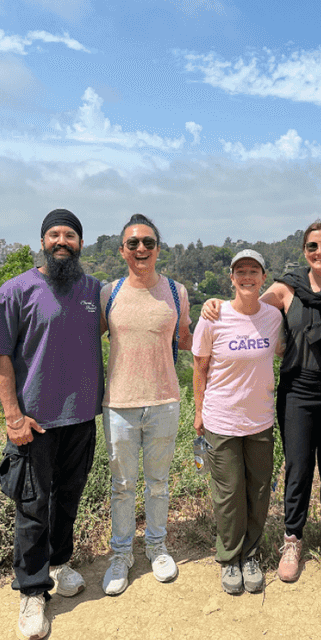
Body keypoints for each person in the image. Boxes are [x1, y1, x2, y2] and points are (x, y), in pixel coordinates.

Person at [204, 220, 321, 586]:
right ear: (303, 252)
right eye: (312, 247)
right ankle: (292, 540)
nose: (319, 252)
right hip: (297, 391)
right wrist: (214, 304)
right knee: (298, 468)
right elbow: (247, 306)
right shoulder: (287, 287)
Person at [0, 210, 104, 640]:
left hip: (82, 416)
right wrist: (12, 416)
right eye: (54, 234)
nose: (61, 241)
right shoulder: (16, 290)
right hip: (35, 421)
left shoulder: (94, 291)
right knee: (32, 506)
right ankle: (32, 591)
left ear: (80, 244)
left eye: (69, 234)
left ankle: (58, 564)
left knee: (68, 497)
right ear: (42, 241)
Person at [98, 215, 192, 596]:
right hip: (119, 403)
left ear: (158, 248)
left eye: (148, 243)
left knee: (158, 483)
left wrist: (220, 313)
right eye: (133, 243)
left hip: (165, 401)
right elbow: (87, 340)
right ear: (122, 250)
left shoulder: (176, 291)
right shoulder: (109, 293)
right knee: (121, 485)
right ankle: (121, 554)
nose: (141, 249)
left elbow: (187, 339)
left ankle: (156, 546)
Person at [191, 248, 284, 596]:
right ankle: (230, 558)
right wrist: (199, 412)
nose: (247, 277)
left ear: (263, 277)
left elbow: (285, 350)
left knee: (258, 492)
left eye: (254, 271)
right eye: (240, 271)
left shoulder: (273, 318)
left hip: (260, 420)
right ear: (231, 278)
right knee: (229, 494)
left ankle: (251, 555)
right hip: (222, 421)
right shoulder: (213, 317)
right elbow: (199, 367)